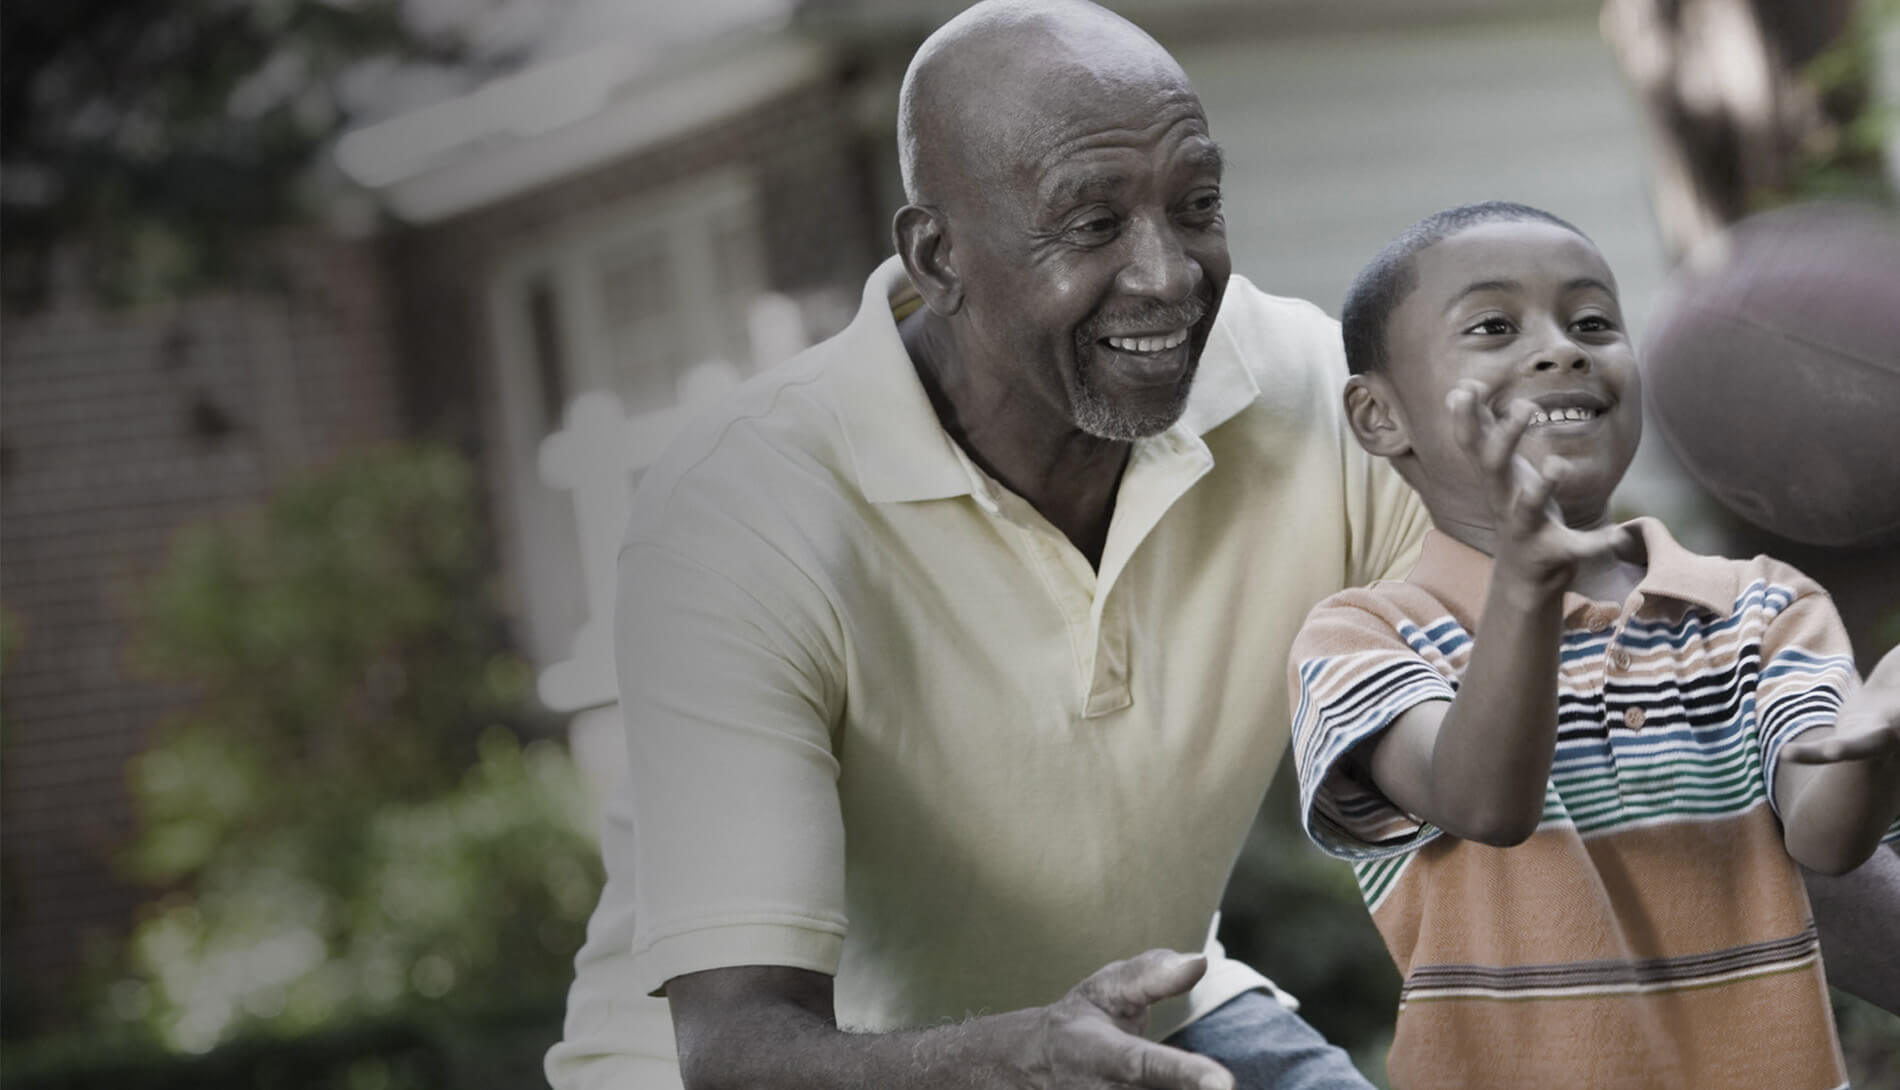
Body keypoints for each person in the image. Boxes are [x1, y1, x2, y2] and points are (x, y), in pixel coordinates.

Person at [545, 5, 1900, 1088]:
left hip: (1148, 1013)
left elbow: (1656, 769)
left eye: (1194, 204)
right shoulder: (747, 515)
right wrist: (1008, 1059)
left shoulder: (1307, 399)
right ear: (938, 255)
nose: (1167, 276)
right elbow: (738, 1045)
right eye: (1092, 223)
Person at [1287, 200, 1900, 1090]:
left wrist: (1880, 735)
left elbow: (1826, 837)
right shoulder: (1363, 634)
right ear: (1380, 415)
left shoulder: (1762, 605)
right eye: (1494, 327)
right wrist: (1525, 587)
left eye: (1592, 323)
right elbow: (1479, 803)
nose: (1562, 350)